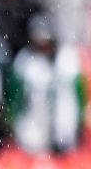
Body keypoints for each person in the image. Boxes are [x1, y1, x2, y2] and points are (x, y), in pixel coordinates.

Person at [9, 13, 87, 155]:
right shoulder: (26, 62)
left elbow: (79, 93)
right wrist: (15, 123)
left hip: (64, 127)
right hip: (34, 131)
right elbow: (15, 97)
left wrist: (79, 123)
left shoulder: (68, 59)